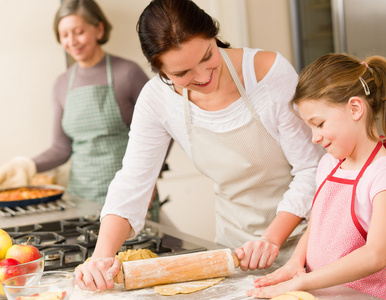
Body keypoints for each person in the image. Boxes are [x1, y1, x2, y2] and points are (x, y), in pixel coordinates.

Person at [74, 0, 322, 291]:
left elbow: (310, 169)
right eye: (182, 74)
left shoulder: (268, 73)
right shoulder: (157, 100)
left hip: (308, 241)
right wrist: (101, 258)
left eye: (208, 56)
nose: (203, 76)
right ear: (159, 70)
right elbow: (133, 182)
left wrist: (271, 239)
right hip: (236, 250)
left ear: (214, 35)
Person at [247, 53, 386, 300]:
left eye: (320, 124)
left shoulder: (384, 176)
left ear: (355, 108)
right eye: (310, 127)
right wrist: (295, 263)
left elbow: (375, 255)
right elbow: (316, 226)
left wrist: (300, 282)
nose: (314, 137)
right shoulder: (328, 164)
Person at [0, 0, 149, 204]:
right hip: (81, 197)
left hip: (129, 193)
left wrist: (148, 179)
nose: (72, 41)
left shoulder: (128, 73)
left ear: (99, 29)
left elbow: (160, 130)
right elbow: (61, 148)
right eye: (64, 35)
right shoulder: (61, 84)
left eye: (78, 32)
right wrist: (25, 165)